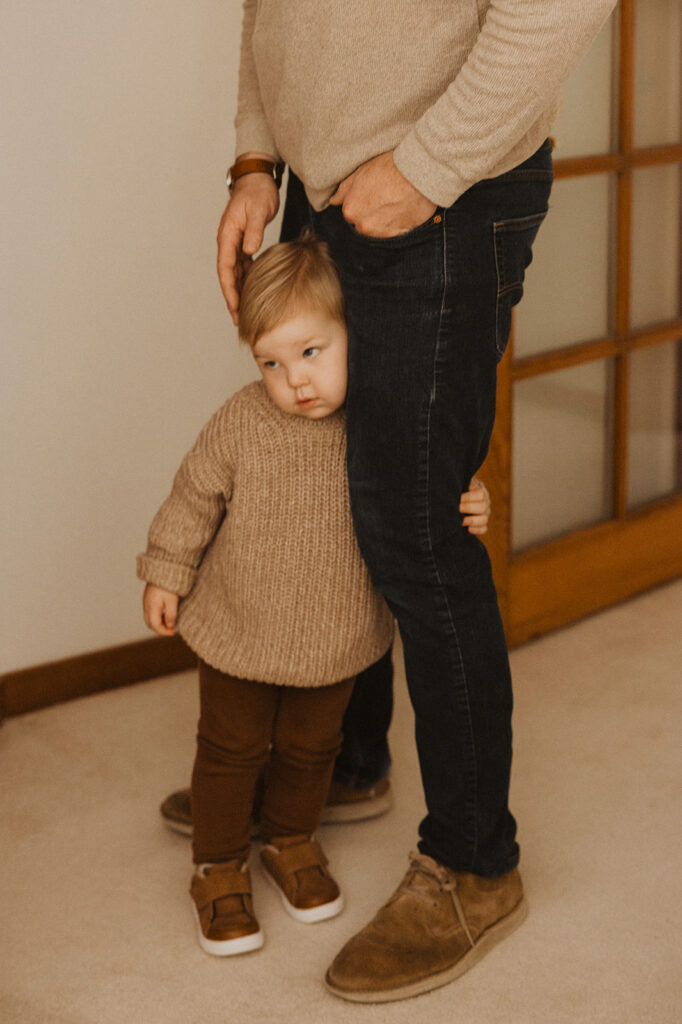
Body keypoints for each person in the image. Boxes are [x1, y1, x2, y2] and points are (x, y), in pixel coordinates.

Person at [207, 0, 618, 1001]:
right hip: (329, 190)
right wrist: (256, 163)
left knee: (416, 531)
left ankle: (475, 863)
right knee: (341, 493)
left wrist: (423, 172)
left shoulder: (427, 181)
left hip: (438, 195)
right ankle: (345, 758)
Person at [138, 235, 491, 957]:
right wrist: (166, 571)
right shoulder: (242, 421)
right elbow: (192, 498)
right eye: (272, 361)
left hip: (335, 636)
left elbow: (430, 481)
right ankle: (218, 863)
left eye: (311, 353)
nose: (294, 379)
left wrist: (470, 498)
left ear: (355, 332)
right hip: (240, 626)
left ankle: (292, 840)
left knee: (310, 750)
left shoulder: (382, 419)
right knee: (230, 750)